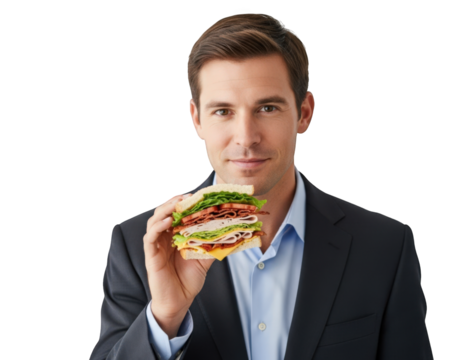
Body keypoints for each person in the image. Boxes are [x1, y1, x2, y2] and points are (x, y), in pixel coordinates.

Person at [89, 13, 433, 360]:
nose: (246, 138)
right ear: (196, 119)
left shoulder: (384, 246)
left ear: (304, 113)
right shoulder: (140, 247)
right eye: (223, 111)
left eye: (267, 108)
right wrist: (165, 317)